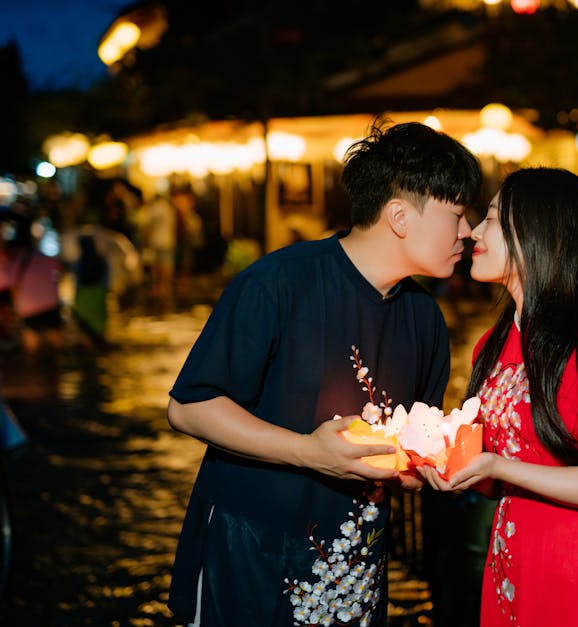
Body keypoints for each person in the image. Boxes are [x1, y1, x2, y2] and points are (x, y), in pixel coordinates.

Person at [165, 121, 482, 626]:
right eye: (458, 215)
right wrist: (307, 451)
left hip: (355, 560)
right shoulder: (278, 282)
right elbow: (189, 406)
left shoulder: (425, 319)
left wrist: (426, 467)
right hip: (249, 545)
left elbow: (413, 443)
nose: (468, 233)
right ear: (399, 215)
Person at [419, 168, 578, 627]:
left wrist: (496, 466)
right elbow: (492, 475)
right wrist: (447, 460)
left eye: (492, 217)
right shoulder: (491, 345)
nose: (474, 232)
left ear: (536, 231)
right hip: (512, 554)